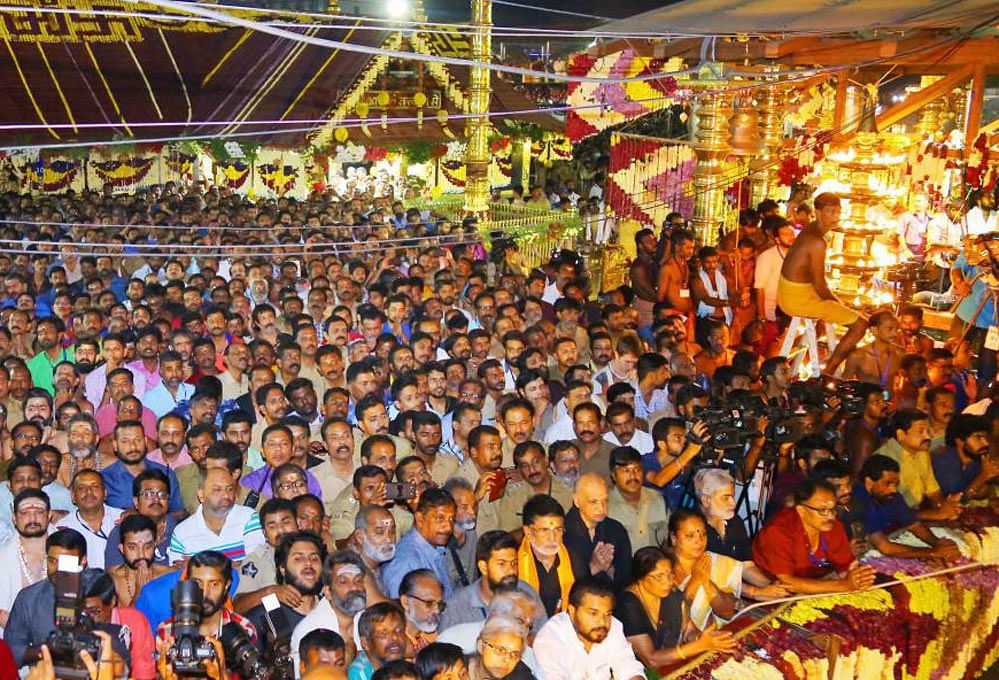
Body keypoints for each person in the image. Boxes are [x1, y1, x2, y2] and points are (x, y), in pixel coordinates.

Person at [777, 193, 868, 375]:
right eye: (830, 212)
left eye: (838, 212)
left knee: (843, 310)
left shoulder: (813, 231)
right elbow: (820, 284)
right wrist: (839, 303)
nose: (835, 216)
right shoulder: (816, 241)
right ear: (818, 212)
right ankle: (829, 371)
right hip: (797, 299)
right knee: (861, 324)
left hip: (795, 291)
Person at [614, 546, 735, 666]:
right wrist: (698, 646)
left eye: (670, 575)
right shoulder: (627, 605)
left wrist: (703, 638)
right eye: (659, 576)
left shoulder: (670, 594)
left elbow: (688, 631)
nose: (667, 582)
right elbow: (651, 660)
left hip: (670, 664)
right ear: (641, 578)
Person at [752, 479, 877, 594]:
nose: (831, 517)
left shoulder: (834, 526)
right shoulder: (778, 532)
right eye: (822, 510)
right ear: (801, 510)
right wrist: (843, 585)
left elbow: (846, 567)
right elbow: (787, 583)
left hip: (816, 584)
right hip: (771, 592)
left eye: (833, 509)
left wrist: (859, 578)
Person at [849, 455, 962, 559]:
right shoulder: (859, 502)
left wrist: (937, 543)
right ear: (869, 482)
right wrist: (932, 552)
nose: (893, 489)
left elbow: (913, 524)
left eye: (895, 484)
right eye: (887, 483)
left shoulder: (890, 495)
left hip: (891, 538)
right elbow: (885, 547)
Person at [532, 579, 645, 680]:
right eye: (593, 613)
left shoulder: (612, 626)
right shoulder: (550, 639)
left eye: (607, 613)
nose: (602, 621)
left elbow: (628, 665)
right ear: (572, 611)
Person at [154, 550, 257, 655]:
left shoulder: (243, 629)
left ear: (226, 585)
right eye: (198, 583)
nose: (205, 593)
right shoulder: (167, 631)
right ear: (188, 583)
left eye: (214, 584)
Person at [292, 551, 380, 669]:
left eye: (358, 580)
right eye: (343, 582)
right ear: (328, 592)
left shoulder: (369, 620)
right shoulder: (309, 630)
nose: (354, 587)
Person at [872, 409, 962, 520]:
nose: (928, 437)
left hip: (915, 516)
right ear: (901, 434)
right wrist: (936, 514)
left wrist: (944, 506)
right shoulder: (885, 461)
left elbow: (933, 490)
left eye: (928, 431)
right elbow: (892, 512)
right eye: (921, 432)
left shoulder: (922, 451)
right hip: (890, 524)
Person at [245, 531, 327, 650]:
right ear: (283, 569)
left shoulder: (331, 608)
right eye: (298, 558)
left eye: (314, 558)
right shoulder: (266, 614)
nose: (308, 563)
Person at [167, 467, 265, 564]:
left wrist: (200, 564)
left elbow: (254, 565)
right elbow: (178, 573)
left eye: (230, 489)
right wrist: (234, 564)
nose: (226, 495)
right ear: (201, 495)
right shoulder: (182, 532)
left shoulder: (248, 518)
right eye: (217, 490)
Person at [79, 567, 157, 680]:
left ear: (112, 602)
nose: (86, 618)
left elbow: (144, 677)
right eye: (81, 612)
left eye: (94, 612)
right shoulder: (72, 625)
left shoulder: (135, 623)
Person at [382, 488, 457, 598]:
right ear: (420, 518)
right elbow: (402, 610)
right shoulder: (405, 563)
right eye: (440, 519)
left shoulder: (437, 549)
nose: (448, 527)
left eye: (451, 519)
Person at [233, 497, 301, 612]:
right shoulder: (257, 559)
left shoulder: (315, 552)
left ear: (298, 523)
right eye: (272, 526)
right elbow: (238, 606)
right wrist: (270, 592)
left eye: (286, 522)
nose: (280, 530)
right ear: (264, 533)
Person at [104, 469, 178, 568]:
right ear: (136, 502)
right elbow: (114, 575)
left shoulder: (179, 529)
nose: (156, 499)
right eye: (148, 494)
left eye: (162, 494)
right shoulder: (121, 532)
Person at [0, 489, 52, 629]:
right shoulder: (3, 558)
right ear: (14, 518)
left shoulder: (68, 549)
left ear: (49, 515)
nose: (33, 518)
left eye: (39, 512)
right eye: (25, 513)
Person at [54, 469, 123, 569]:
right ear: (73, 496)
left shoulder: (122, 518)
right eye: (81, 488)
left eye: (95, 487)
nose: (89, 492)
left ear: (105, 493)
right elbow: (67, 572)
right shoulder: (63, 528)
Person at [498, 441, 573, 531]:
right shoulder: (512, 496)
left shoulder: (569, 491)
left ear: (546, 460)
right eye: (525, 466)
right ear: (519, 470)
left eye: (536, 462)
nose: (532, 470)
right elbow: (508, 534)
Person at [607, 446, 669, 550]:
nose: (633, 476)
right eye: (626, 471)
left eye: (637, 469)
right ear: (613, 475)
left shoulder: (658, 499)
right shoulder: (605, 504)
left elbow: (667, 541)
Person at [108, 514, 173, 607]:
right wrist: (139, 593)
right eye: (132, 548)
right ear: (122, 549)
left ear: (155, 545)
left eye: (147, 547)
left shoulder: (170, 575)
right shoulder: (112, 581)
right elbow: (118, 620)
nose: (141, 555)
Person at [932, 413, 999, 499]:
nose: (985, 443)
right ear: (959, 440)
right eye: (978, 437)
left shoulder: (977, 458)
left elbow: (981, 494)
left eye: (985, 438)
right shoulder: (942, 459)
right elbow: (956, 498)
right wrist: (983, 477)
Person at [693, 468, 751, 561]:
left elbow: (746, 565)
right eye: (726, 498)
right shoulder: (689, 526)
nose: (733, 503)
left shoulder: (735, 521)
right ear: (706, 500)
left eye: (732, 497)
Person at [842, 311, 903, 387]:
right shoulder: (858, 356)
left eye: (896, 329)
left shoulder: (899, 354)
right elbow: (845, 384)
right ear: (874, 330)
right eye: (890, 329)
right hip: (866, 398)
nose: (895, 334)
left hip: (891, 398)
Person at [350, 602, 408, 680]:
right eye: (383, 633)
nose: (395, 637)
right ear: (365, 643)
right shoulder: (359, 674)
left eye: (399, 630)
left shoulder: (408, 666)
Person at [398, 569, 445, 654]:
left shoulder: (438, 633)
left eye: (440, 604)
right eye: (429, 603)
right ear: (406, 603)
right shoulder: (395, 644)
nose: (437, 611)